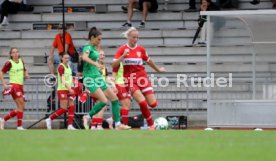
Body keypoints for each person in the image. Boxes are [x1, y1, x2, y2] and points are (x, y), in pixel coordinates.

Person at [112, 27, 166, 130]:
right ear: (128, 37)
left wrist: (158, 69)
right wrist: (122, 56)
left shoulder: (141, 49)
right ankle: (151, 125)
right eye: (133, 37)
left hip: (142, 78)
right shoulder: (122, 49)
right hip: (130, 80)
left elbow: (149, 61)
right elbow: (114, 64)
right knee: (142, 102)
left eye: (137, 37)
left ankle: (119, 115)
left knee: (153, 104)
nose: (135, 39)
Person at [81, 27, 131, 130]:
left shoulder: (94, 48)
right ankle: (87, 117)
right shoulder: (87, 47)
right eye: (99, 39)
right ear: (92, 37)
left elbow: (92, 62)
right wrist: (96, 64)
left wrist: (98, 68)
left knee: (114, 99)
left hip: (97, 77)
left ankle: (117, 124)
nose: (100, 41)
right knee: (103, 101)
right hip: (89, 78)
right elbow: (84, 58)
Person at [45, 53, 77, 130]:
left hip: (69, 89)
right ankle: (49, 119)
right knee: (64, 108)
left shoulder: (69, 66)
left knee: (72, 106)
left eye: (68, 58)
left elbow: (70, 79)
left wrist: (72, 86)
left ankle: (70, 125)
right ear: (61, 58)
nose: (67, 59)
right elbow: (63, 80)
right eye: (65, 58)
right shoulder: (61, 67)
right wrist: (70, 89)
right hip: (62, 90)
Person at [0, 47, 29, 130]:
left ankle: (3, 119)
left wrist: (26, 74)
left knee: (21, 107)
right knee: (20, 106)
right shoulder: (9, 63)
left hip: (21, 86)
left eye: (17, 52)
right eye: (14, 52)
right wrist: (5, 84)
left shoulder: (21, 61)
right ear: (11, 54)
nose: (16, 54)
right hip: (14, 86)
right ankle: (19, 126)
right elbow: (1, 73)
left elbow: (25, 69)